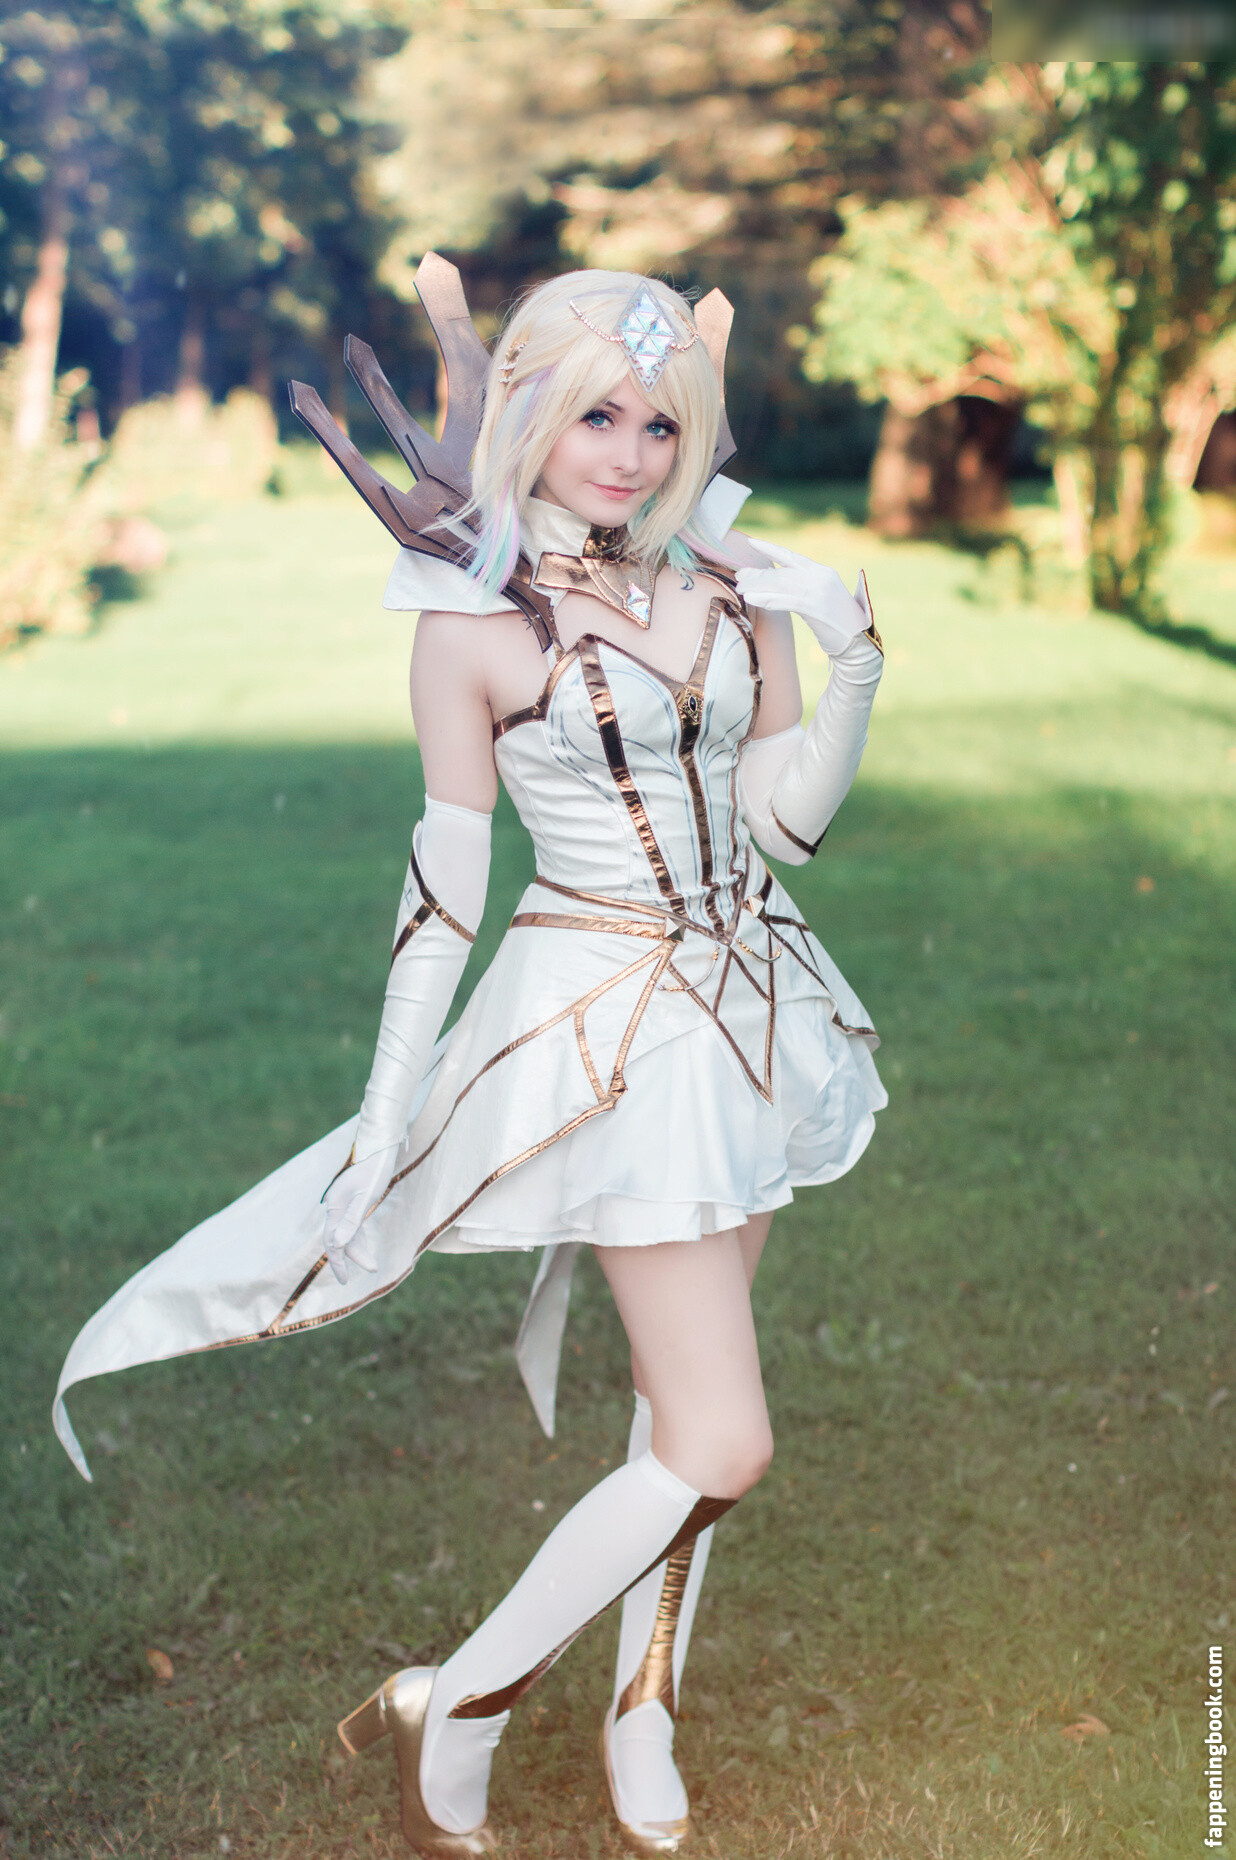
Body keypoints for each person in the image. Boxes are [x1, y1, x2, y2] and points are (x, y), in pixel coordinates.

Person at [53, 261, 886, 1859]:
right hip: (611, 1037)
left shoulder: (730, 585)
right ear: (529, 414)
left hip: (759, 1016)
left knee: (677, 1414)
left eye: (660, 423)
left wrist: (852, 668)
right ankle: (462, 1699)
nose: (630, 454)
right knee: (724, 1439)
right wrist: (387, 1118)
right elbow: (443, 893)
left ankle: (642, 1706)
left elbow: (789, 829)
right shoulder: (471, 625)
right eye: (596, 417)